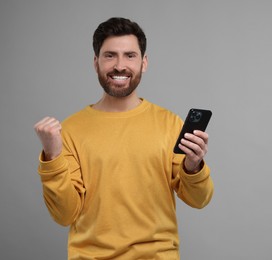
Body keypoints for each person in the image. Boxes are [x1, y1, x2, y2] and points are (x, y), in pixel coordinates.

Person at [34, 17, 214, 260]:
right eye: (110, 56)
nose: (120, 65)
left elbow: (199, 200)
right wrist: (52, 156)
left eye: (130, 55)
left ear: (144, 62)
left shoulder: (169, 123)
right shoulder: (70, 130)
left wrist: (193, 166)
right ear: (96, 62)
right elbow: (64, 215)